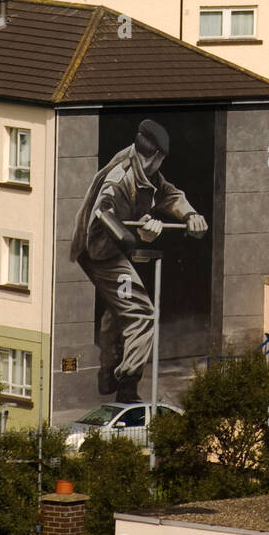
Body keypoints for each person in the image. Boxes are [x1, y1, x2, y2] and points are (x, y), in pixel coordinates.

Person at [70, 119, 208, 402]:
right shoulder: (119, 180)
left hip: (110, 248)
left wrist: (190, 215)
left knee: (119, 309)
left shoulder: (142, 169)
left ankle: (108, 372)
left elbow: (169, 195)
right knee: (141, 313)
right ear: (157, 157)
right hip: (100, 252)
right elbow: (106, 215)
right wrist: (141, 235)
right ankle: (128, 384)